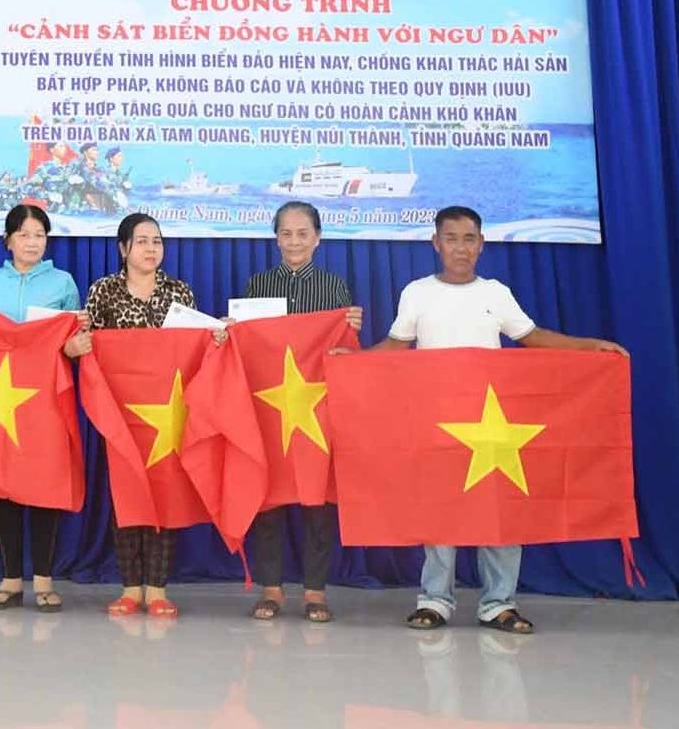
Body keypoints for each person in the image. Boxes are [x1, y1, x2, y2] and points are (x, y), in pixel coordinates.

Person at [371, 205, 625, 634]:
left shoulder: (495, 292)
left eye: (469, 239)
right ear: (436, 244)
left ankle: (499, 603)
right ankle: (434, 600)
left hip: (492, 424)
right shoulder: (416, 292)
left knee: (499, 511)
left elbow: (533, 338)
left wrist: (587, 347)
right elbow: (396, 348)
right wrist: (350, 363)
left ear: (481, 245)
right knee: (439, 512)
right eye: (451, 238)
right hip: (438, 421)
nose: (460, 247)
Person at [240, 200, 363, 625]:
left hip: (315, 408)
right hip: (269, 404)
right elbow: (246, 345)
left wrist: (349, 332)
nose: (294, 241)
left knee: (317, 498)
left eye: (302, 233)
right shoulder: (256, 285)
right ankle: (270, 588)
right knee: (267, 495)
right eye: (286, 233)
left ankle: (315, 590)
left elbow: (342, 351)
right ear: (276, 238)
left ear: (318, 238)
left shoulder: (334, 289)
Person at [77, 211, 201, 620]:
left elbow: (195, 348)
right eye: (143, 241)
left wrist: (216, 338)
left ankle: (158, 588)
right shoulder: (104, 291)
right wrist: (74, 344)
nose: (151, 249)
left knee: (166, 492)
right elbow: (83, 341)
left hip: (168, 412)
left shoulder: (179, 292)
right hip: (119, 412)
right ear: (123, 248)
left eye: (157, 241)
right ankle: (130, 588)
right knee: (125, 497)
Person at [0, 203, 82, 612]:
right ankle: (10, 579)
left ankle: (45, 581)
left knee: (44, 485)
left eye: (39, 234)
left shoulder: (63, 282)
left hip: (46, 398)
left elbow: (71, 341)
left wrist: (71, 345)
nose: (32, 242)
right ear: (9, 240)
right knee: (4, 485)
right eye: (24, 234)